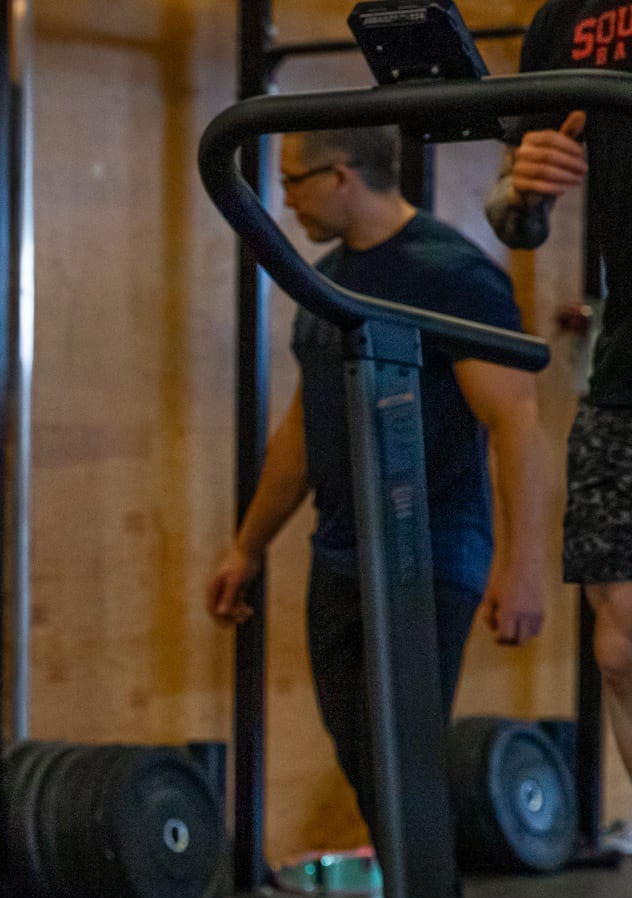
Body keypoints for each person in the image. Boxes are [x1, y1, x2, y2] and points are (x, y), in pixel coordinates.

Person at [206, 126, 554, 829]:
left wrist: (522, 567)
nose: (285, 198)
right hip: (340, 551)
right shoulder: (323, 277)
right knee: (364, 753)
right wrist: (247, 546)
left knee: (404, 759)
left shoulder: (451, 272)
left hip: (431, 549)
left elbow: (515, 419)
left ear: (342, 177)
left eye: (295, 180)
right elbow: (304, 432)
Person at [486, 1, 632, 850]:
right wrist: (525, 189)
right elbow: (513, 210)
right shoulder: (567, 18)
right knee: (619, 653)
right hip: (624, 367)